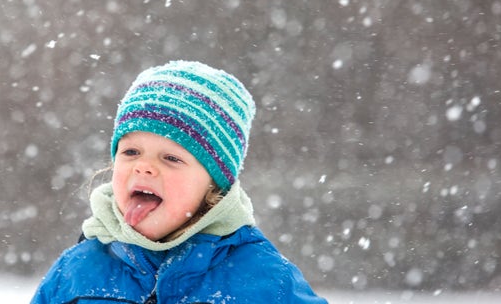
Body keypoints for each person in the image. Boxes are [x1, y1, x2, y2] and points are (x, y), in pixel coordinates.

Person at [31, 60, 328, 304]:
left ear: (214, 185)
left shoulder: (266, 280)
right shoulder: (75, 272)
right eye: (131, 152)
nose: (144, 167)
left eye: (171, 158)